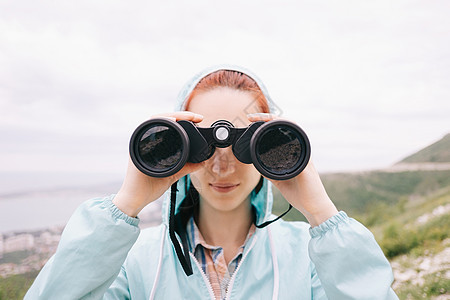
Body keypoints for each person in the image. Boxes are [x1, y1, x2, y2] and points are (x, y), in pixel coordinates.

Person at [26, 65, 398, 299]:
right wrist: (126, 203)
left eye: (245, 144)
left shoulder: (311, 256)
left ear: (269, 146)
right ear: (178, 143)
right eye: (199, 143)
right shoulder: (133, 261)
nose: (222, 166)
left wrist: (321, 213)